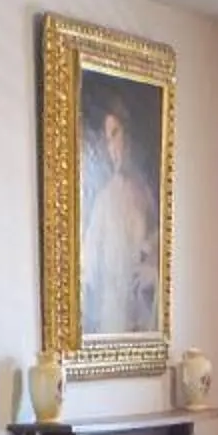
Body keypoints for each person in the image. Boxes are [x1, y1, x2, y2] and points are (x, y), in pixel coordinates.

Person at [78, 99, 159, 336]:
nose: (112, 145)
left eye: (115, 133)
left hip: (142, 320)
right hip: (112, 319)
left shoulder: (145, 195)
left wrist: (153, 274)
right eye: (107, 138)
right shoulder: (104, 200)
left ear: (128, 135)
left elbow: (157, 251)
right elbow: (88, 270)